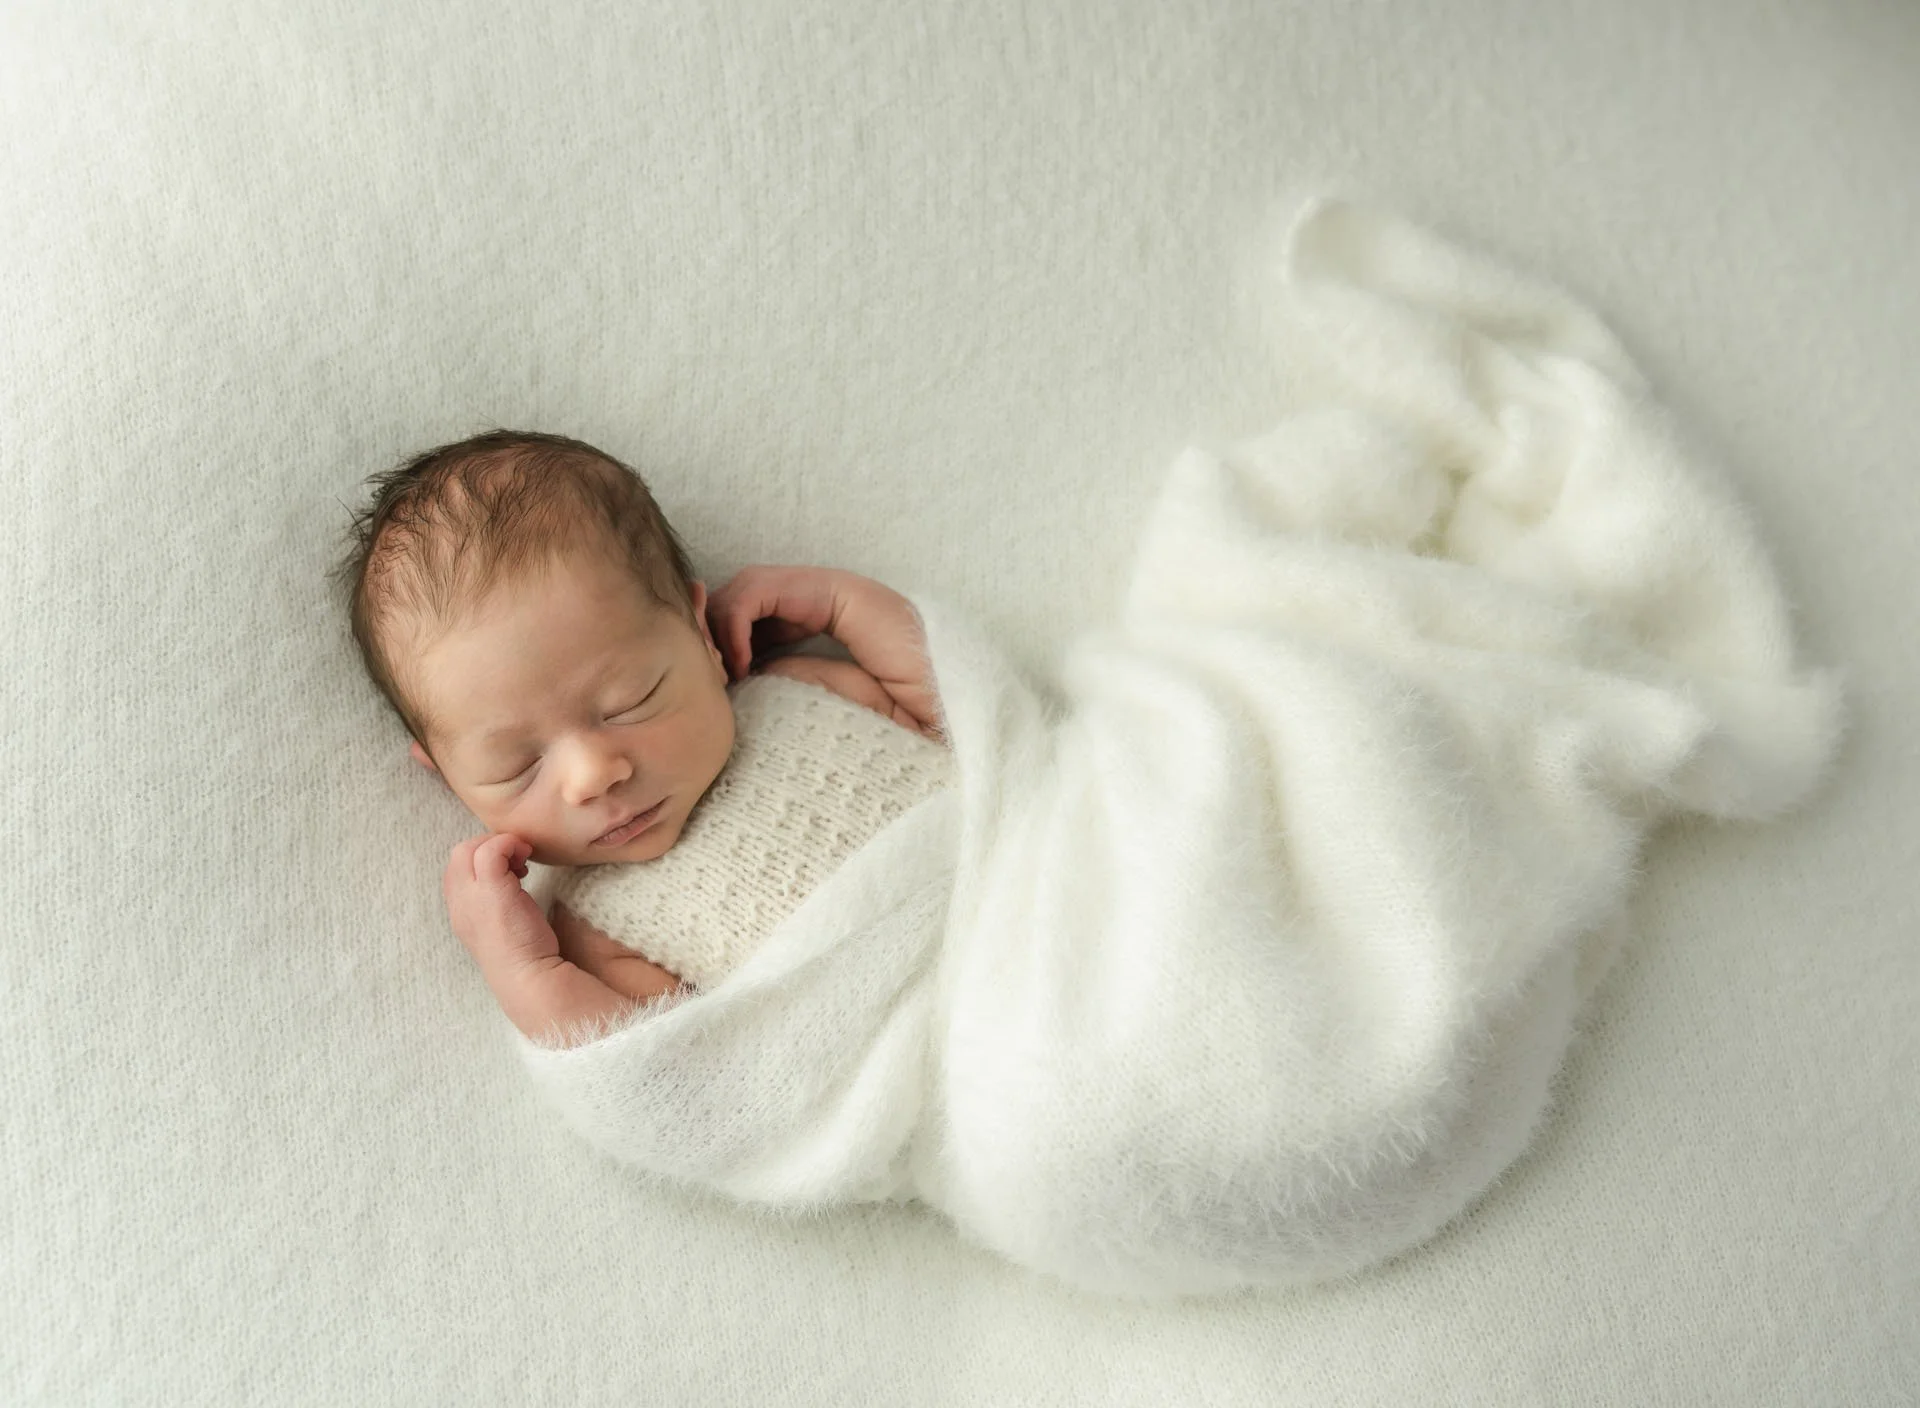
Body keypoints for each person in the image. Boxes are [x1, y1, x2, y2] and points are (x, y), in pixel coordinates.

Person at [331, 428, 949, 1044]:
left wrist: (843, 604)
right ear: (446, 777)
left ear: (702, 638)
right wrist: (522, 969)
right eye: (517, 764)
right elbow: (679, 1080)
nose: (593, 774)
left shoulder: (807, 694)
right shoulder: (600, 930)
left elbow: (975, 724)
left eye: (631, 701)